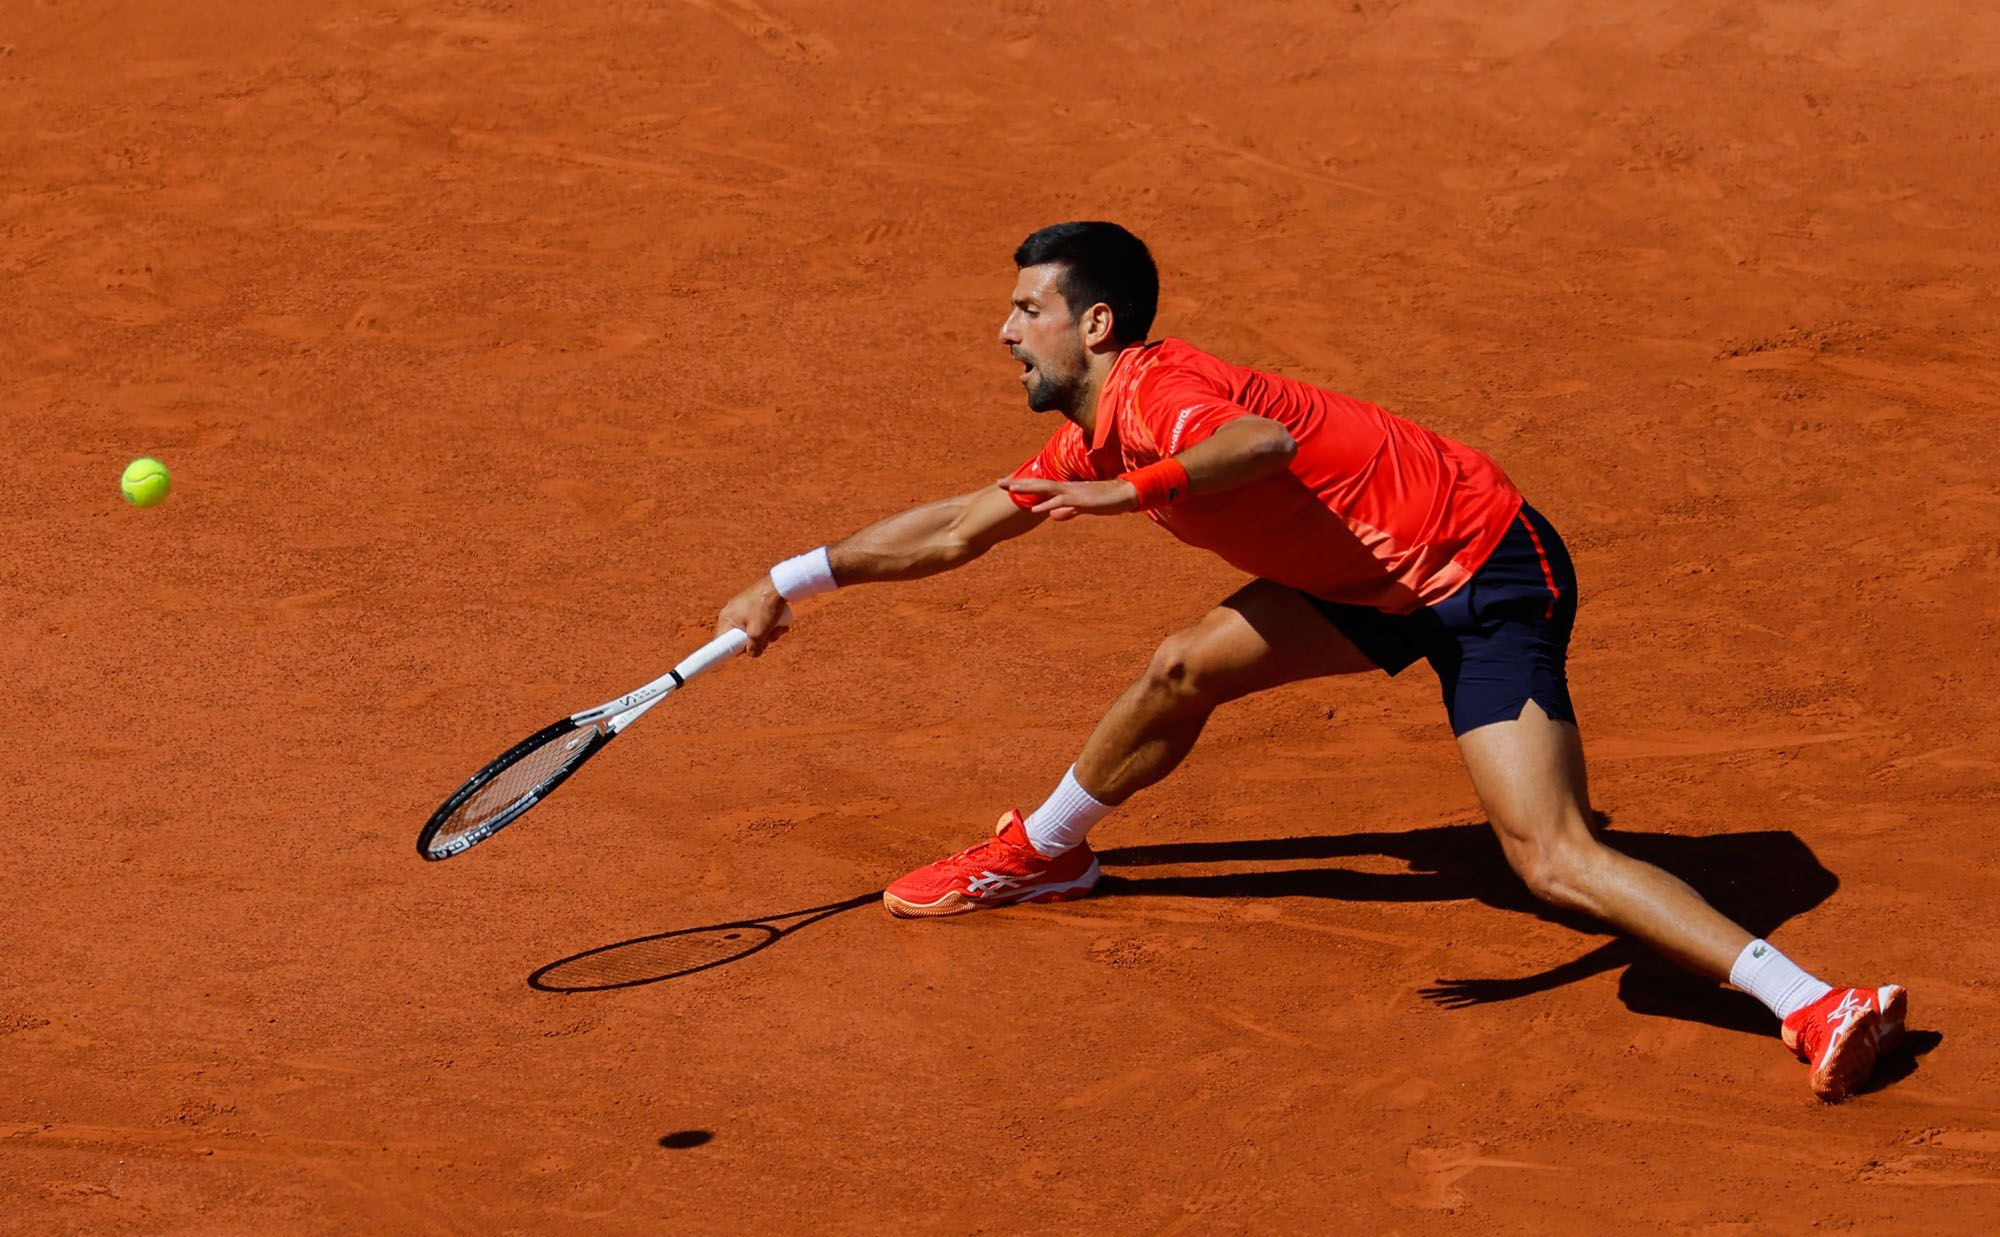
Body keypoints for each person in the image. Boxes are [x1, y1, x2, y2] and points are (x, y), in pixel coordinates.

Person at [715, 221, 1907, 1102]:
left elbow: (1258, 443)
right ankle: (1042, 854)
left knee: (1549, 858)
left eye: (1025, 307)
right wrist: (790, 578)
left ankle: (1811, 1003)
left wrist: (1130, 492)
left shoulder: (1164, 394)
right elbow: (958, 527)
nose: (1002, 328)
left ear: (1093, 324)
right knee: (1183, 665)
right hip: (1368, 581)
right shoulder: (1091, 430)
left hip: (1480, 569)